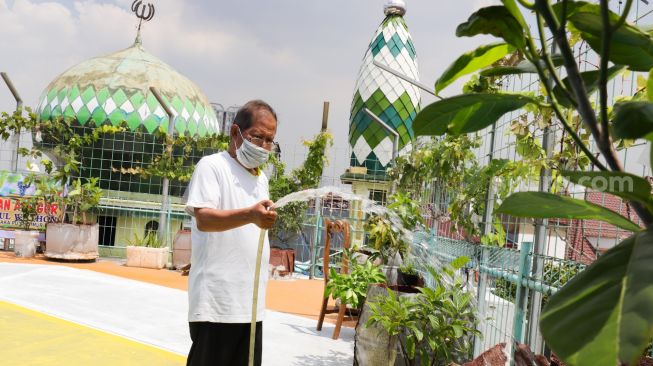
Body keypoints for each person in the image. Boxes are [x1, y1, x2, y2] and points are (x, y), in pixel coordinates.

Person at [184, 100, 279, 366]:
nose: (263, 147)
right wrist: (250, 215)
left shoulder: (261, 179)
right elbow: (204, 219)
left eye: (269, 140)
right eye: (257, 137)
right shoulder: (213, 166)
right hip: (217, 304)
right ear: (236, 133)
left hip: (250, 305)